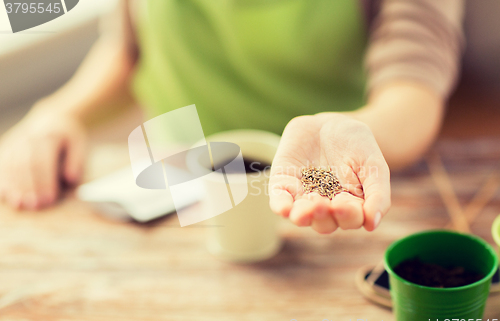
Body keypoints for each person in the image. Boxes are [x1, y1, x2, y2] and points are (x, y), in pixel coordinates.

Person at [0, 0, 464, 235]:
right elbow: (128, 49)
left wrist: (355, 131)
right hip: (177, 181)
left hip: (333, 185)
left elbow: (413, 90)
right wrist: (59, 111)